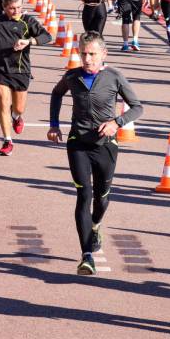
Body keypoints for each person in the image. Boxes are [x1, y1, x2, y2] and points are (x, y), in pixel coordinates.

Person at [48, 32, 143, 275]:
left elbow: (137, 107)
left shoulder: (114, 77)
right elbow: (56, 93)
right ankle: (86, 255)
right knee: (84, 194)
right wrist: (54, 125)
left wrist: (116, 123)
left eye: (92, 54)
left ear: (103, 55)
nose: (87, 59)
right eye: (83, 54)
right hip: (78, 143)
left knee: (102, 196)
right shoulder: (72, 76)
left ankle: (97, 224)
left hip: (105, 146)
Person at [0, 0, 51, 156]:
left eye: (18, 7)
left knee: (19, 107)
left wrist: (29, 41)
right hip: (0, 69)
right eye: (12, 8)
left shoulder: (28, 21)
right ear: (4, 7)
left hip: (20, 69)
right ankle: (7, 140)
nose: (16, 11)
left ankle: (17, 117)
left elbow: (47, 36)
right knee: (3, 102)